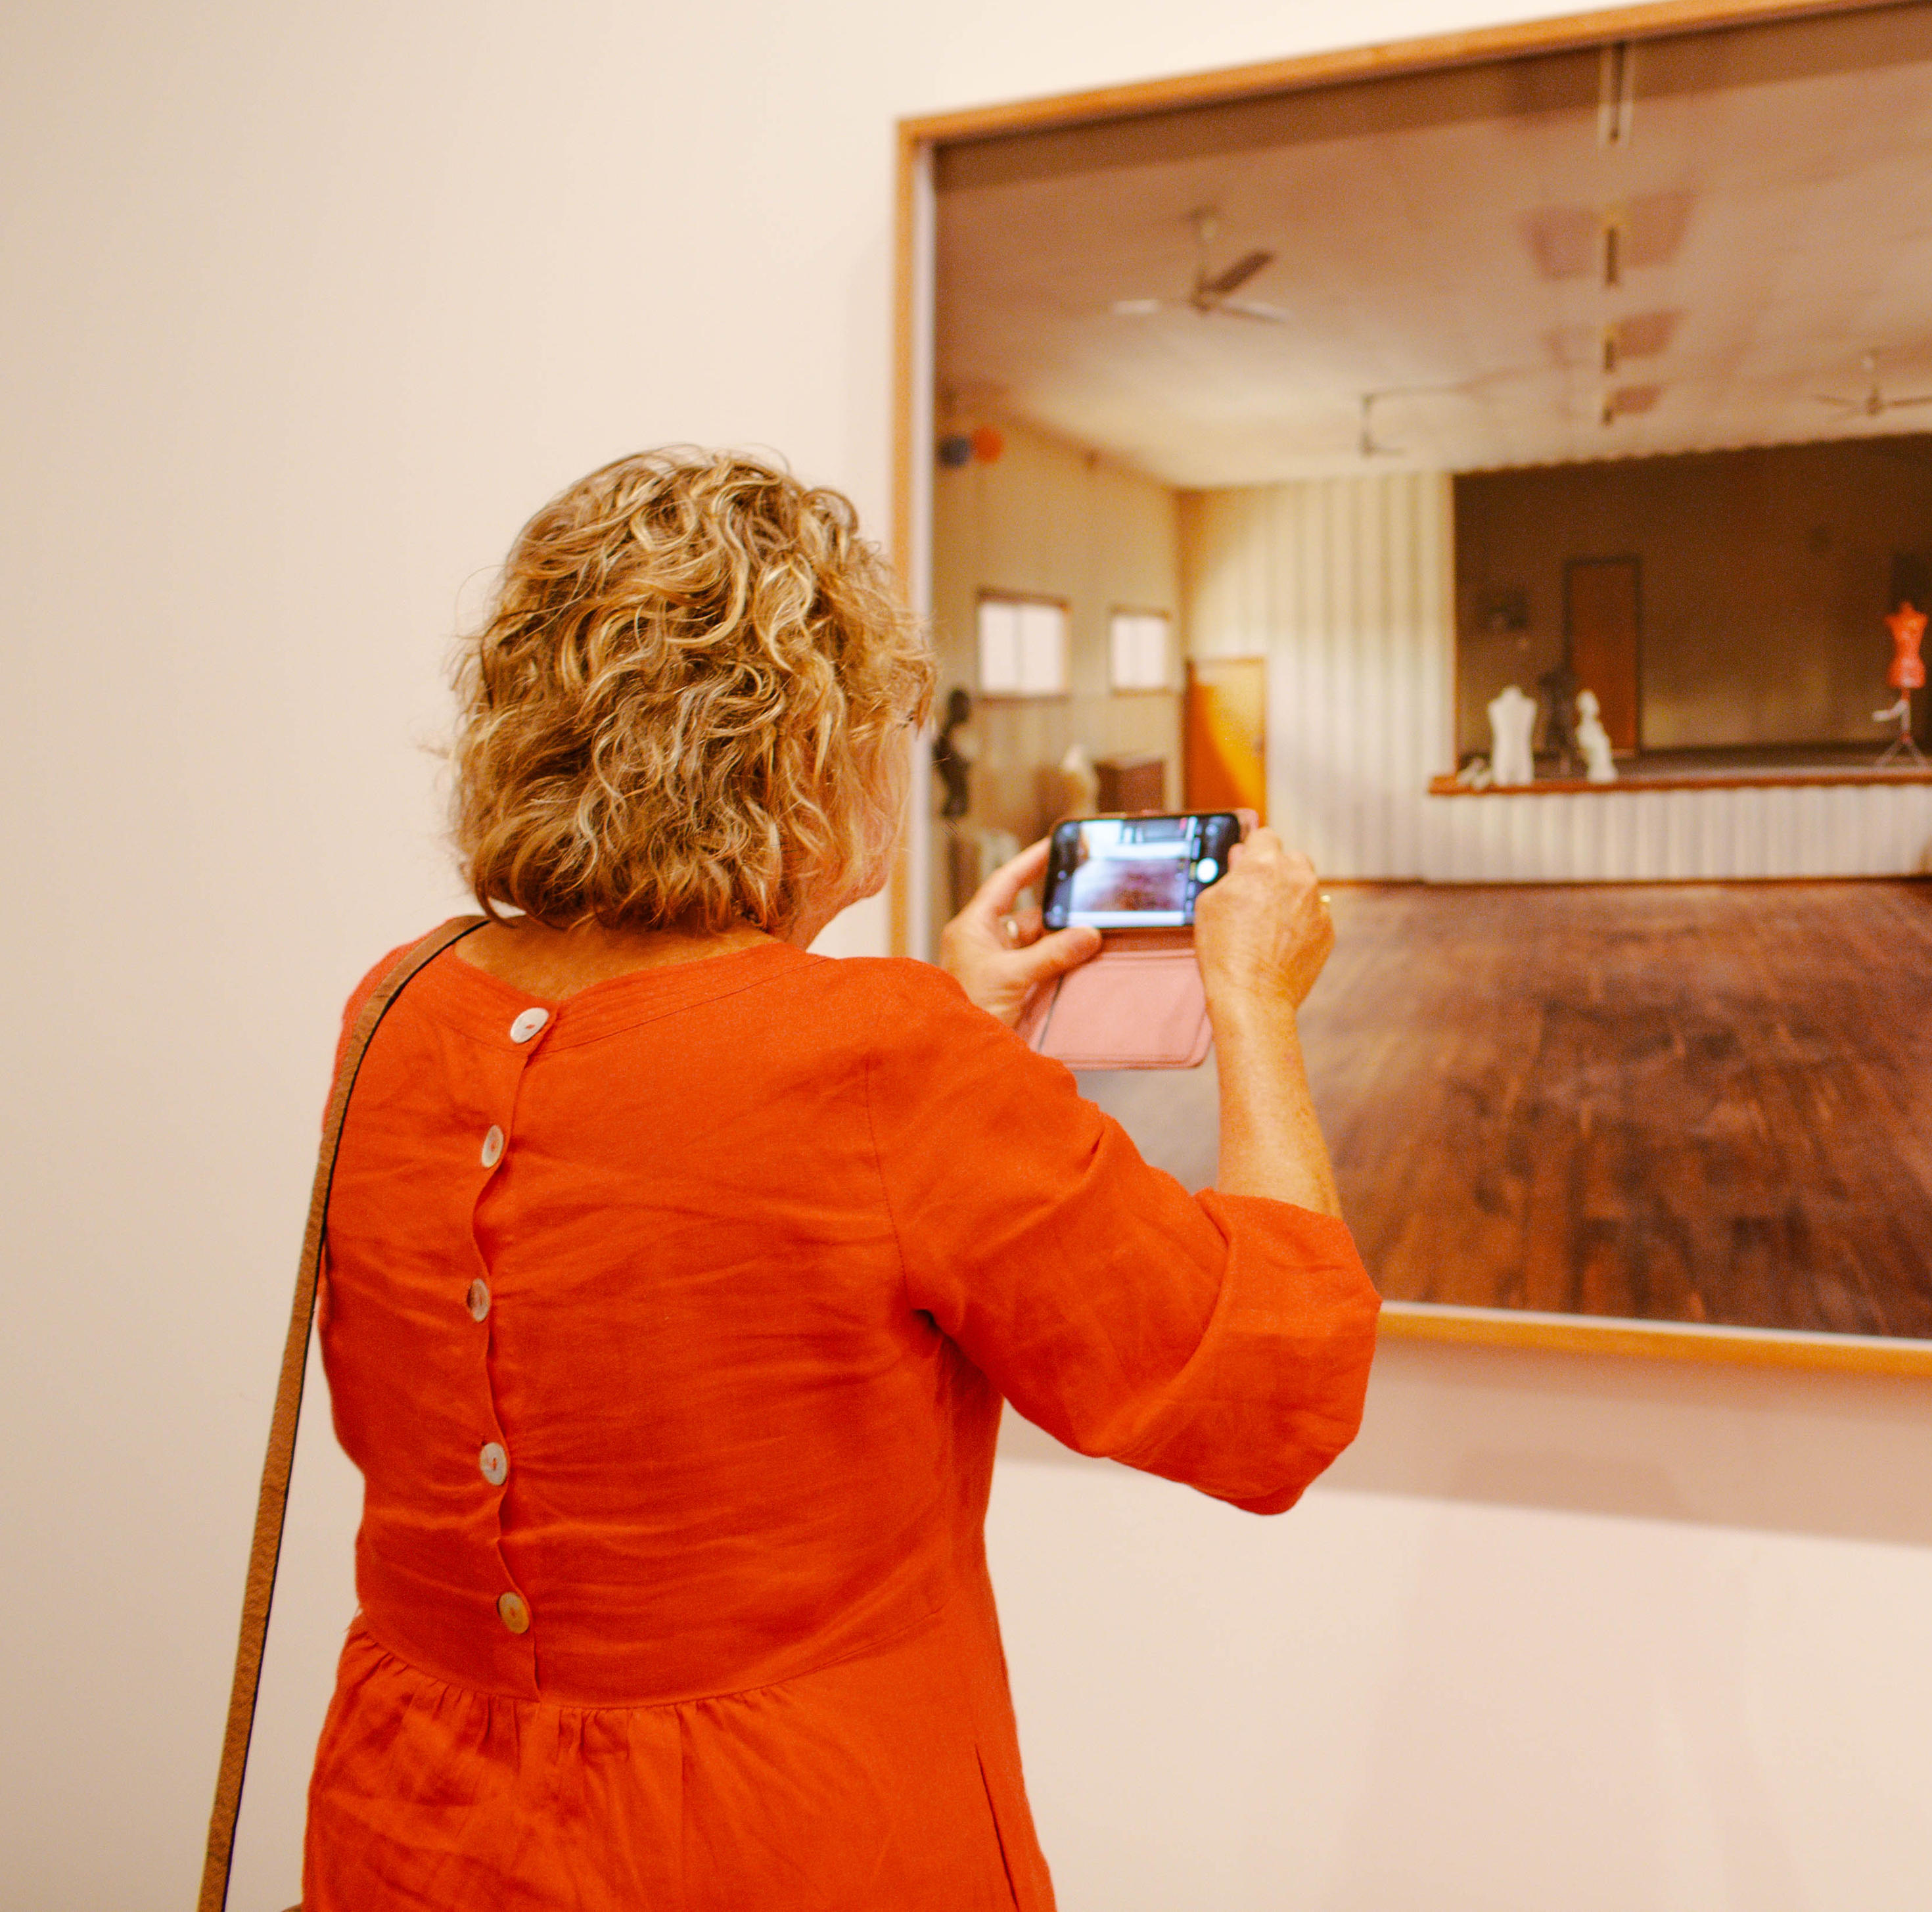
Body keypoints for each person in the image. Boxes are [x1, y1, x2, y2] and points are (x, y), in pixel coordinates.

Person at [300, 448, 1378, 1909]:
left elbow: (685, 1171)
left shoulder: (400, 1002)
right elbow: (1264, 1389)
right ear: (806, 747)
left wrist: (951, 1029)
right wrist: (1251, 998)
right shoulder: (878, 1060)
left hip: (411, 1830)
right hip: (775, 1844)